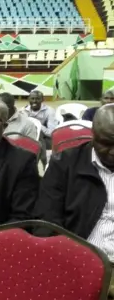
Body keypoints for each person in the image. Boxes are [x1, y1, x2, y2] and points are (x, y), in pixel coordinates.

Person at [36, 104, 114, 260]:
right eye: (106, 143)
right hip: (79, 259)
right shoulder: (64, 164)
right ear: (93, 135)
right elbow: (46, 222)